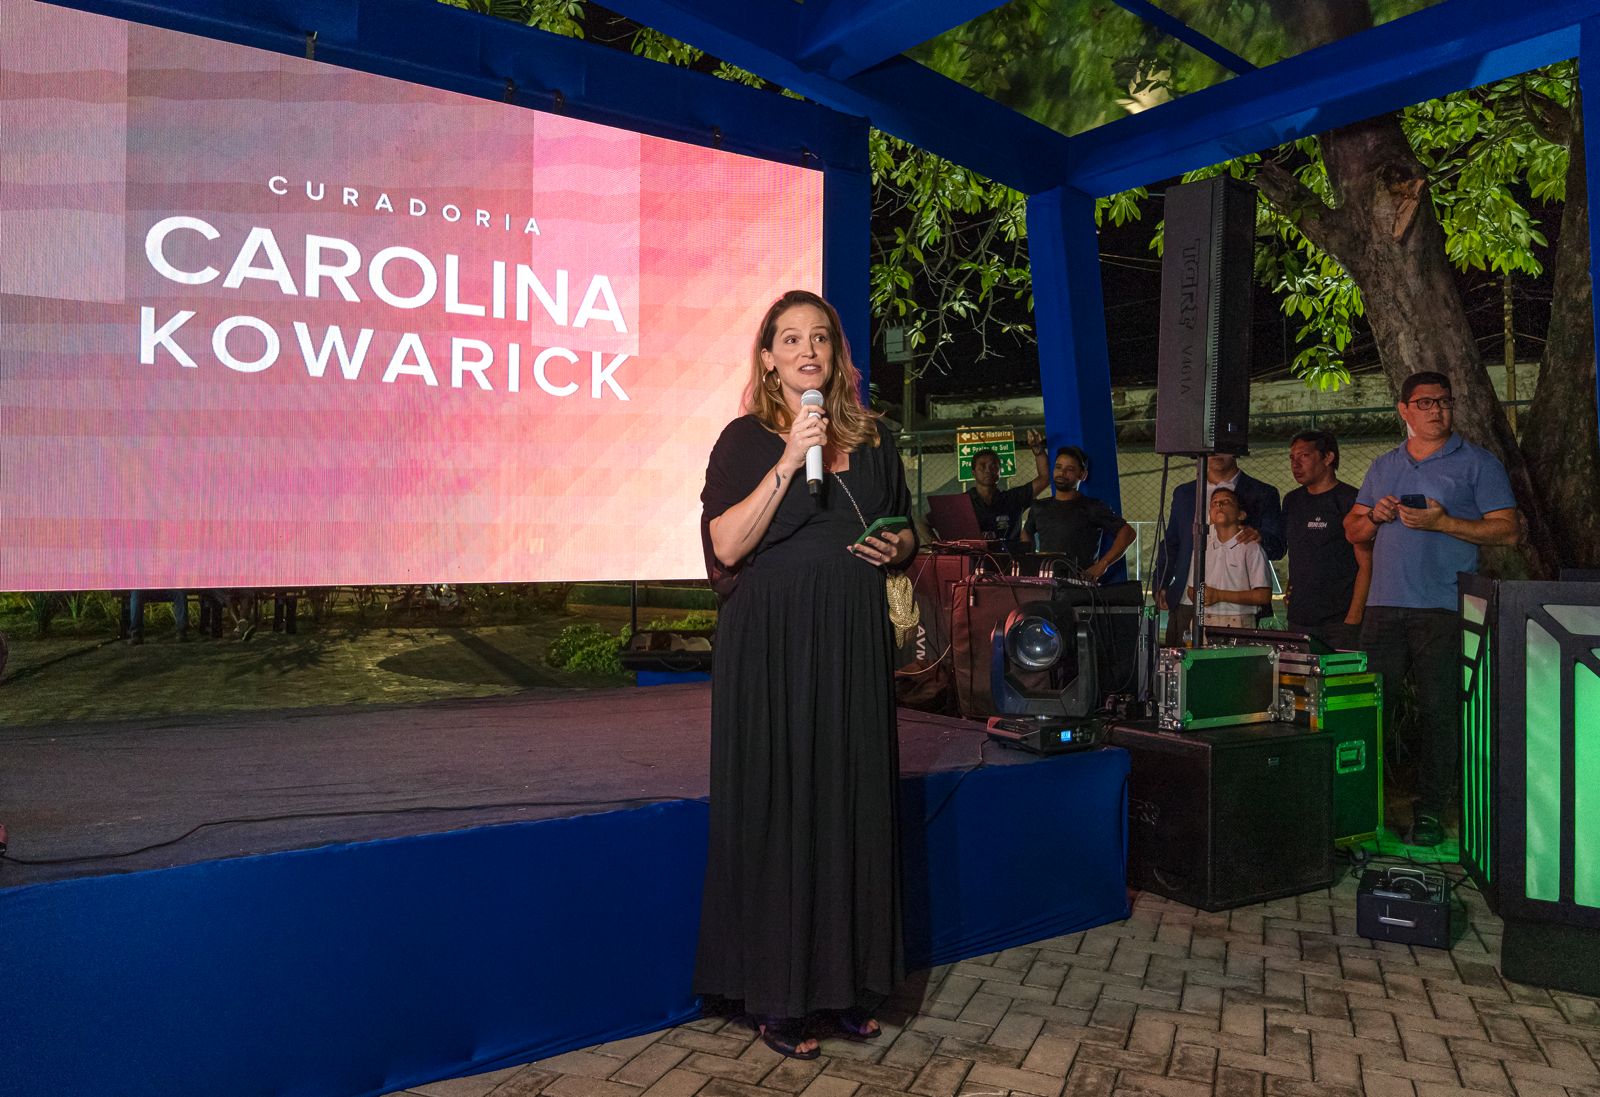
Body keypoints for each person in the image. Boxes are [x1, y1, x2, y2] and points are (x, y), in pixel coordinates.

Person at [696, 290, 914, 1059]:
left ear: (837, 353)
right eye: (789, 339)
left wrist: (899, 545)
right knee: (782, 808)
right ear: (768, 358)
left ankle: (843, 988)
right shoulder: (743, 441)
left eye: (819, 337)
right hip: (774, 649)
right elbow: (727, 545)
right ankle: (778, 997)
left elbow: (906, 528)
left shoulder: (875, 439)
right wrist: (790, 459)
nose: (807, 350)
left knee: (849, 805)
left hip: (851, 643)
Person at [1344, 371, 1519, 847]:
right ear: (1404, 409)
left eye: (1444, 401)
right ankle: (1363, 806)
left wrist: (1443, 523)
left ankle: (1430, 811)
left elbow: (1507, 530)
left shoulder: (1478, 463)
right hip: (1384, 606)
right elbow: (1353, 529)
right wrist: (1374, 516)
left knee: (1440, 713)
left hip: (1443, 607)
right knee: (1370, 711)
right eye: (1425, 402)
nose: (1437, 409)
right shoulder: (1384, 464)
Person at [1154, 452, 1284, 645]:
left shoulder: (1263, 492)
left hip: (1238, 610)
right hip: (1187, 601)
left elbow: (1278, 546)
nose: (1215, 453)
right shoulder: (1184, 493)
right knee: (1181, 660)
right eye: (1210, 446)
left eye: (1222, 447)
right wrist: (1161, 582)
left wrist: (1259, 537)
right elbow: (1172, 542)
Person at [1282, 430, 1371, 651]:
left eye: (1304, 456)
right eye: (1292, 458)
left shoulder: (1350, 500)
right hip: (1300, 618)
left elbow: (1367, 564)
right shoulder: (1292, 501)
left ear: (1328, 457)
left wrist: (1353, 618)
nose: (1295, 464)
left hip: (1339, 621)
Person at [1023, 446, 1135, 580]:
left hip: (1080, 585)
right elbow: (1026, 532)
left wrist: (1102, 565)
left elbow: (1128, 533)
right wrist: (1030, 562)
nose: (1062, 473)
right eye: (1058, 467)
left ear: (1083, 475)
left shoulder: (1092, 507)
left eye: (1070, 469)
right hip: (1046, 584)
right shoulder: (1039, 507)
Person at [1184, 487, 1272, 630]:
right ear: (1210, 515)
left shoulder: (1251, 548)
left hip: (1238, 620)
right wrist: (1200, 596)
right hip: (1204, 619)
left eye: (1226, 502)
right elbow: (1191, 589)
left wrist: (1219, 595)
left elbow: (1263, 595)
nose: (1219, 505)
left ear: (1241, 515)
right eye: (1214, 503)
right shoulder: (1202, 548)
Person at [967, 431, 1049, 545]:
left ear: (1000, 471)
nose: (988, 470)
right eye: (982, 466)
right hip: (973, 556)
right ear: (973, 473)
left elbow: (1044, 478)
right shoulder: (962, 503)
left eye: (993, 465)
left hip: (1010, 556)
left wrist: (1039, 451)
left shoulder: (1014, 499)